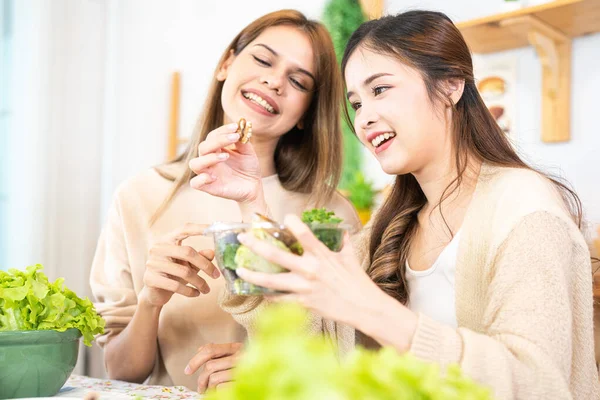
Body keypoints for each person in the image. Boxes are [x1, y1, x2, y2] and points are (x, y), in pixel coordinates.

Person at [232, 10, 600, 399]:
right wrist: (250, 197)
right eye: (356, 104)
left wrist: (374, 310)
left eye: (380, 90)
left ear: (450, 86)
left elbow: (537, 384)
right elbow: (310, 337)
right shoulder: (392, 221)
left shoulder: (526, 207)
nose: (365, 119)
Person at [90, 9, 360, 393]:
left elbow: (347, 355)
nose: (273, 80)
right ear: (226, 64)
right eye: (263, 60)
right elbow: (122, 372)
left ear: (305, 114)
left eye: (298, 82)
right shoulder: (139, 196)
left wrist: (273, 367)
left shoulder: (331, 215)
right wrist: (150, 303)